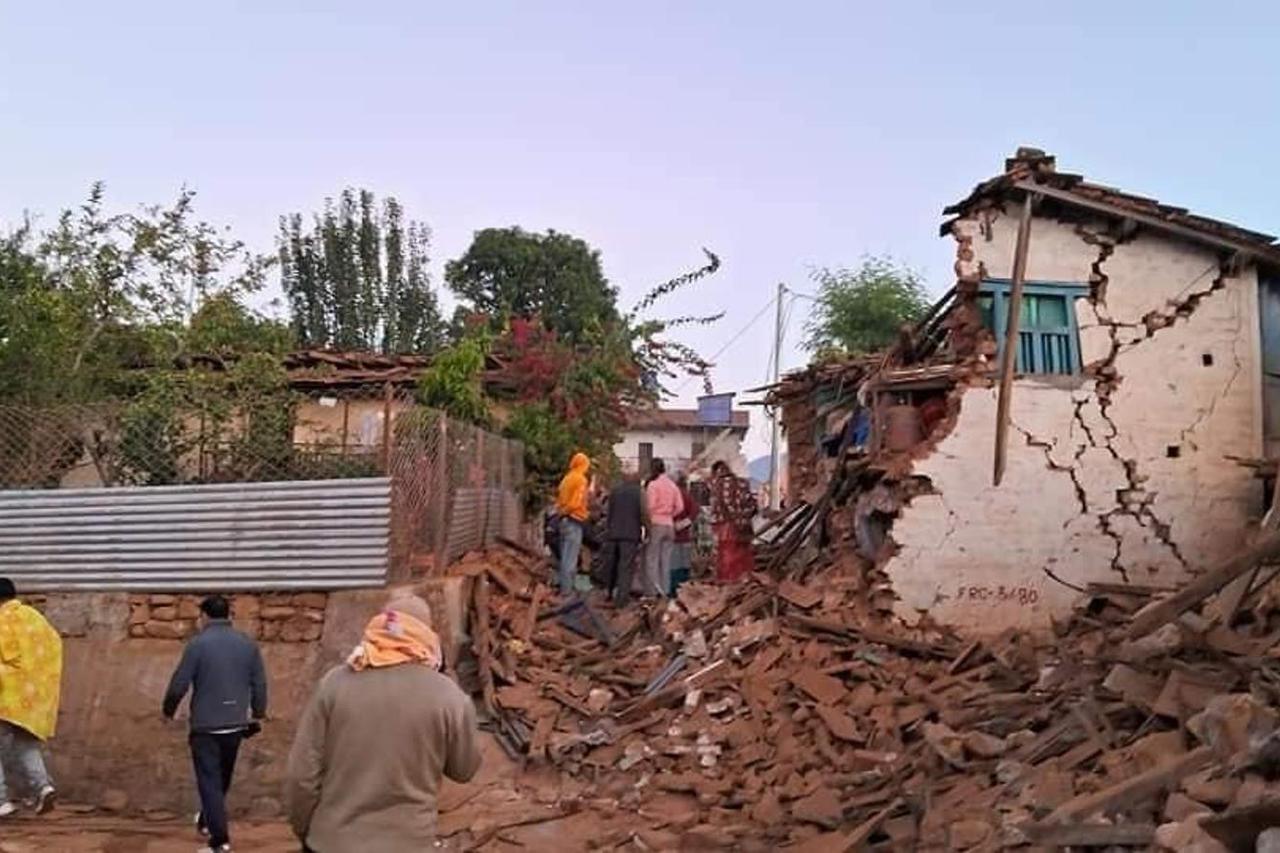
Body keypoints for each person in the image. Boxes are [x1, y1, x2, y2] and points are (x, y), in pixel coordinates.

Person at [285, 595, 481, 851]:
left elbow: (301, 775)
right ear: (427, 635)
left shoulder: (334, 683)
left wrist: (306, 830)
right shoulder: (449, 697)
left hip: (333, 841)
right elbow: (464, 769)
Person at [162, 595, 267, 853]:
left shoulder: (198, 645)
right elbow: (260, 684)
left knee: (209, 781)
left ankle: (219, 841)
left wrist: (168, 710)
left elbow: (179, 684)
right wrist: (258, 712)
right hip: (236, 725)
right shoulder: (247, 645)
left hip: (206, 727)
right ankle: (208, 820)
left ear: (205, 617)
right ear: (230, 616)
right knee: (222, 779)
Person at [0, 578, 60, 819]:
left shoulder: (2, 619)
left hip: (5, 695)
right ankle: (43, 787)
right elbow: (54, 645)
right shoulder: (35, 618)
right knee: (26, 744)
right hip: (34, 698)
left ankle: (2, 801)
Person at [600, 469, 648, 607]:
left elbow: (609, 512)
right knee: (625, 567)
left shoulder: (615, 491)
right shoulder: (639, 492)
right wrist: (648, 530)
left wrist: (608, 529)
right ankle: (621, 599)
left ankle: (608, 593)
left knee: (612, 564)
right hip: (631, 535)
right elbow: (644, 513)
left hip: (613, 533)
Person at [710, 461, 758, 583]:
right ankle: (745, 582)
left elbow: (723, 506)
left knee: (727, 557)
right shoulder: (743, 483)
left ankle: (729, 583)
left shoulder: (718, 485)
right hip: (745, 527)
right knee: (744, 557)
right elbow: (753, 505)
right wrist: (744, 518)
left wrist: (734, 520)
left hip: (726, 526)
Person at [644, 458, 683, 597]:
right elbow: (680, 507)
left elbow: (650, 506)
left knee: (652, 559)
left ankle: (653, 592)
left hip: (656, 524)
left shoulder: (653, 485)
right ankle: (665, 591)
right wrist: (670, 514)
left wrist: (649, 519)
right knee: (665, 560)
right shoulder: (673, 486)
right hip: (669, 525)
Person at [555, 452, 591, 595]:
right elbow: (576, 502)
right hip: (574, 519)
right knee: (571, 558)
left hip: (563, 521)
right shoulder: (580, 480)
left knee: (565, 556)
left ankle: (565, 588)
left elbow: (559, 500)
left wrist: (561, 512)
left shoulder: (566, 478)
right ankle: (567, 592)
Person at [671, 473, 699, 594]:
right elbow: (695, 511)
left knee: (674, 566)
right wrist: (685, 523)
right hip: (685, 536)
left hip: (673, 536)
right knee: (684, 565)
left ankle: (673, 590)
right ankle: (684, 589)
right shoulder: (688, 496)